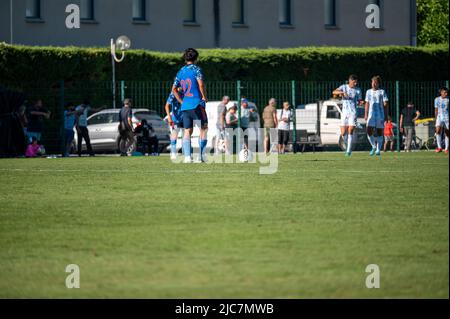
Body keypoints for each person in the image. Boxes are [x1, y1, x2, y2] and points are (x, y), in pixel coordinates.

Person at [172, 48, 209, 163]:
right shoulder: (197, 69)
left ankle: (187, 157)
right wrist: (204, 96)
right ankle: (201, 156)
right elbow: (201, 84)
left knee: (187, 130)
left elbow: (174, 89)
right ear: (196, 58)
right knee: (203, 128)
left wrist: (181, 101)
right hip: (197, 103)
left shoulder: (180, 71)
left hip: (185, 106)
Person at [333, 74, 363, 157]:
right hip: (344, 113)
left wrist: (362, 102)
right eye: (354, 82)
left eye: (356, 82)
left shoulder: (358, 90)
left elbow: (360, 101)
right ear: (350, 80)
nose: (355, 84)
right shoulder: (344, 87)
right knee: (343, 133)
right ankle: (347, 146)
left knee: (350, 131)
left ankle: (349, 151)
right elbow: (334, 92)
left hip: (353, 112)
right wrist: (342, 93)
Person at [365, 76, 389, 157]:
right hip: (371, 115)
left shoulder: (382, 92)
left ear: (378, 83)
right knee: (369, 131)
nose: (374, 84)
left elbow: (385, 104)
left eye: (375, 82)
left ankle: (378, 149)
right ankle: (374, 146)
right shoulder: (368, 92)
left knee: (379, 132)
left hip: (380, 115)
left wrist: (386, 116)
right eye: (372, 82)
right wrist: (366, 114)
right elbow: (367, 103)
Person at [164, 86, 184, 160]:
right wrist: (169, 117)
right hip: (176, 119)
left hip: (185, 117)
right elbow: (166, 106)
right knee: (174, 134)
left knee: (186, 135)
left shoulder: (185, 93)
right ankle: (173, 153)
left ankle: (186, 153)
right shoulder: (173, 94)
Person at [434, 87, 449, 154]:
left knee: (447, 133)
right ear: (441, 92)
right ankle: (439, 147)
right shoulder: (436, 99)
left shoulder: (448, 99)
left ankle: (446, 148)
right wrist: (436, 118)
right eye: (444, 92)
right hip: (439, 117)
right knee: (438, 131)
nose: (446, 93)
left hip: (447, 117)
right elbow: (436, 109)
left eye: (446, 92)